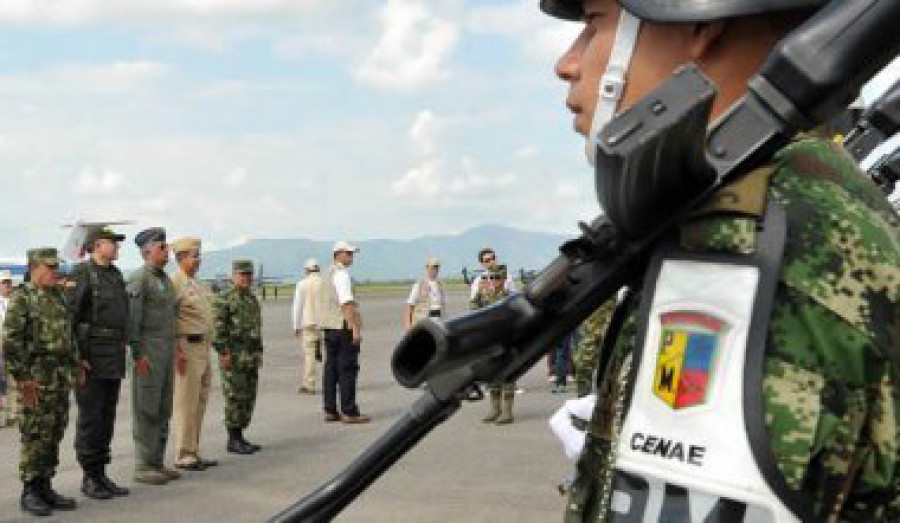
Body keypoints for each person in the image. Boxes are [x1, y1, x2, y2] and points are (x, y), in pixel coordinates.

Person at [541, 0, 900, 520]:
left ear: (698, 23)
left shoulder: (737, 256)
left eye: (593, 26)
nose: (567, 64)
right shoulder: (808, 199)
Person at [2, 248, 78, 516]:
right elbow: (10, 341)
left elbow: (69, 335)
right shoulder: (22, 297)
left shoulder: (58, 295)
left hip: (59, 374)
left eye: (56, 266)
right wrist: (23, 378)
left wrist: (75, 363)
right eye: (50, 267)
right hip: (35, 375)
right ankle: (30, 489)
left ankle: (46, 485)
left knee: (55, 430)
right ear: (34, 267)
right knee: (35, 432)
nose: (55, 271)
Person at [70, 226, 131, 499]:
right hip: (91, 359)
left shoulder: (115, 275)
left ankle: (101, 473)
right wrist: (78, 359)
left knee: (107, 417)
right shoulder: (83, 274)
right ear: (97, 246)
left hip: (113, 357)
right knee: (91, 419)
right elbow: (70, 319)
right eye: (113, 243)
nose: (117, 247)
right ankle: (89, 476)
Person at [127, 227, 179, 485]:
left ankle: (157, 461)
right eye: (162, 247)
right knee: (145, 407)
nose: (167, 251)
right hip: (147, 351)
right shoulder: (140, 279)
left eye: (166, 246)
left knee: (162, 407)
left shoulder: (165, 280)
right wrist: (138, 354)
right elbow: (132, 321)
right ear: (147, 251)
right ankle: (143, 464)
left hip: (166, 351)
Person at [171, 237, 218, 470]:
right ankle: (184, 454)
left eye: (198, 255)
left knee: (199, 401)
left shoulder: (197, 283)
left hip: (203, 347)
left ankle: (193, 449)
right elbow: (168, 318)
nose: (198, 260)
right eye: (194, 255)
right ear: (180, 258)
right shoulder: (175, 283)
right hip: (186, 347)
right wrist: (175, 350)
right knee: (185, 403)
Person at [213, 260, 264, 454]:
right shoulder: (223, 299)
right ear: (233, 276)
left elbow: (256, 328)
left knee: (248, 397)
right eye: (242, 275)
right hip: (233, 356)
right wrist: (223, 352)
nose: (246, 279)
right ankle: (233, 439)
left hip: (250, 356)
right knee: (235, 397)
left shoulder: (251, 298)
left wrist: (258, 352)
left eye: (249, 275)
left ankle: (241, 436)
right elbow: (217, 329)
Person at [320, 241, 369, 424]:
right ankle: (349, 411)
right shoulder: (341, 274)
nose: (351, 257)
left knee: (331, 368)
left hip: (329, 327)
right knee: (347, 368)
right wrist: (354, 328)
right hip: (342, 326)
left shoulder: (326, 273)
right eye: (348, 253)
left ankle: (330, 409)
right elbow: (346, 303)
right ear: (338, 254)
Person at [470, 248, 518, 425]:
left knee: (509, 369)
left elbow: (516, 300)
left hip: (507, 332)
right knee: (493, 370)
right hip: (489, 334)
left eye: (492, 258)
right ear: (482, 263)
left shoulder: (508, 278)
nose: (491, 262)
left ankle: (507, 411)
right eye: (487, 260)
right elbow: (473, 307)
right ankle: (494, 408)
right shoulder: (479, 281)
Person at [291, 258, 325, 394]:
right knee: (330, 355)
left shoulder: (302, 284)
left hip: (308, 323)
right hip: (325, 323)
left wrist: (296, 325)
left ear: (306, 270)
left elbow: (297, 306)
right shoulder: (325, 283)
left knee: (309, 355)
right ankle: (333, 382)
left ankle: (309, 385)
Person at [404, 256, 446, 330]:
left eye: (436, 267)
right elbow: (409, 305)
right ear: (427, 268)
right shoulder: (419, 285)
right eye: (432, 267)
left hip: (438, 321)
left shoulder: (440, 285)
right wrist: (408, 325)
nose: (434, 270)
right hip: (423, 322)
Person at [0, 269, 16, 428]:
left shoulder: (15, 302)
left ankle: (12, 414)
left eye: (8, 283)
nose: (7, 286)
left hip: (11, 343)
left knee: (12, 380)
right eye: (4, 283)